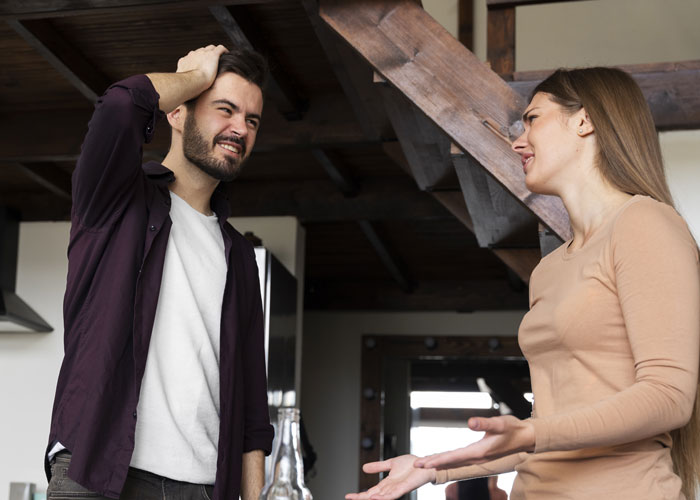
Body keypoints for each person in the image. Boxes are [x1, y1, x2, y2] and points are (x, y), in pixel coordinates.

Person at [346, 67, 700, 500]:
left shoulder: (644, 224)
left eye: (532, 119)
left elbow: (669, 396)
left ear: (584, 120)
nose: (517, 142)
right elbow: (542, 432)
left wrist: (534, 431)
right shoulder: (549, 269)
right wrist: (431, 469)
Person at [44, 45, 274, 500]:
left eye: (251, 120)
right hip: (96, 472)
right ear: (176, 114)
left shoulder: (240, 256)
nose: (239, 129)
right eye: (224, 110)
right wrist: (194, 75)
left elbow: (252, 413)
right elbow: (120, 105)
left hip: (204, 487)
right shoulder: (114, 202)